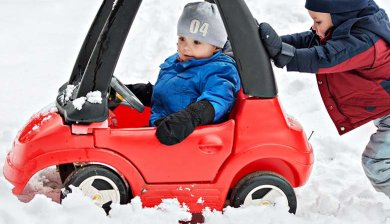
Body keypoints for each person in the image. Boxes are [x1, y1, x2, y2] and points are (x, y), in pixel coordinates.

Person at [258, 0, 390, 196]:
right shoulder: (351, 26)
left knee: (376, 163)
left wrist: (284, 55)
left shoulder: (367, 42)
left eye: (317, 21)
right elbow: (311, 41)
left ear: (340, 15)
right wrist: (273, 45)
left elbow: (324, 57)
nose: (313, 27)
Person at [125, 2, 240, 146]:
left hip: (186, 141)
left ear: (216, 46)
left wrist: (189, 118)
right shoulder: (177, 61)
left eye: (197, 42)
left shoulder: (219, 70)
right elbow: (169, 93)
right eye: (182, 39)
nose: (186, 47)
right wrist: (132, 92)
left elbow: (218, 100)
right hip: (159, 132)